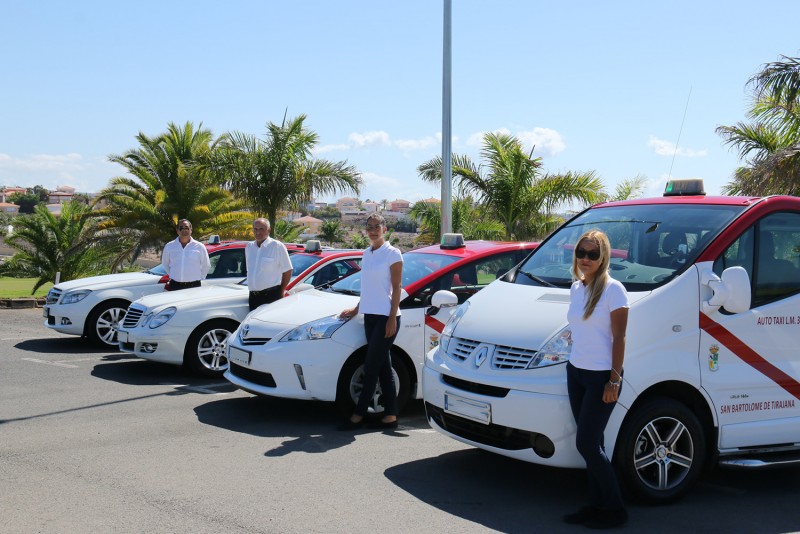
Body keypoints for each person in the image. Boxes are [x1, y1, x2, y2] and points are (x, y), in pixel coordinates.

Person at [563, 230, 629, 529]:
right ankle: (595, 505)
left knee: (587, 444)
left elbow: (620, 337)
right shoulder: (577, 288)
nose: (585, 259)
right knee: (594, 442)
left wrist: (614, 380)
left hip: (602, 376)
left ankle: (615, 509)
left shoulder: (614, 290)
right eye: (581, 253)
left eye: (592, 254)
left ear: (603, 257)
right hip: (576, 371)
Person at [337, 214, 403, 431]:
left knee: (371, 366)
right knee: (384, 367)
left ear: (385, 229)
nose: (373, 231)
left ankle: (358, 414)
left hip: (386, 317)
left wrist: (392, 318)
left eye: (377, 227)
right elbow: (368, 288)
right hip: (370, 316)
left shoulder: (393, 253)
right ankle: (391, 415)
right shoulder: (367, 254)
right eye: (369, 227)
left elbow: (397, 288)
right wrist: (356, 309)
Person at [245, 218, 292, 311]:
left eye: (261, 229)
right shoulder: (249, 247)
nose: (258, 232)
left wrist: (281, 291)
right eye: (255, 229)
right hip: (253, 297)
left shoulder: (277, 246)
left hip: (271, 297)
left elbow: (288, 270)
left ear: (269, 230)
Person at [161, 219, 210, 291]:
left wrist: (200, 278)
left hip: (194, 286)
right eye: (181, 228)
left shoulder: (200, 247)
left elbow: (206, 265)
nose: (184, 230)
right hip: (175, 285)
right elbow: (165, 263)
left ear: (191, 230)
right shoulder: (169, 246)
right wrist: (173, 275)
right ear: (177, 230)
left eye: (186, 228)